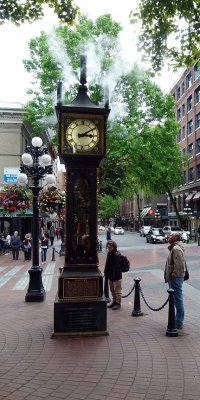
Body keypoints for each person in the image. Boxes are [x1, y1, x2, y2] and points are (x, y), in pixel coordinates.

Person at [164, 233, 185, 329]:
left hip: (175, 278)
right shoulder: (174, 248)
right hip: (175, 277)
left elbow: (179, 265)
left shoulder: (176, 249)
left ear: (176, 238)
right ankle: (177, 320)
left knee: (178, 300)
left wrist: (173, 276)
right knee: (176, 299)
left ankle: (178, 322)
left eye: (171, 235)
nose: (168, 236)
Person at [104, 240, 122, 310]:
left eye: (110, 247)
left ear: (114, 247)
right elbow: (107, 264)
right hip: (110, 275)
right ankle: (114, 301)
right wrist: (106, 272)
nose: (109, 248)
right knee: (112, 290)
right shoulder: (109, 254)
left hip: (116, 276)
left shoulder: (116, 255)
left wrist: (115, 277)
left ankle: (118, 303)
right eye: (108, 246)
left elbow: (117, 267)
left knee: (117, 290)